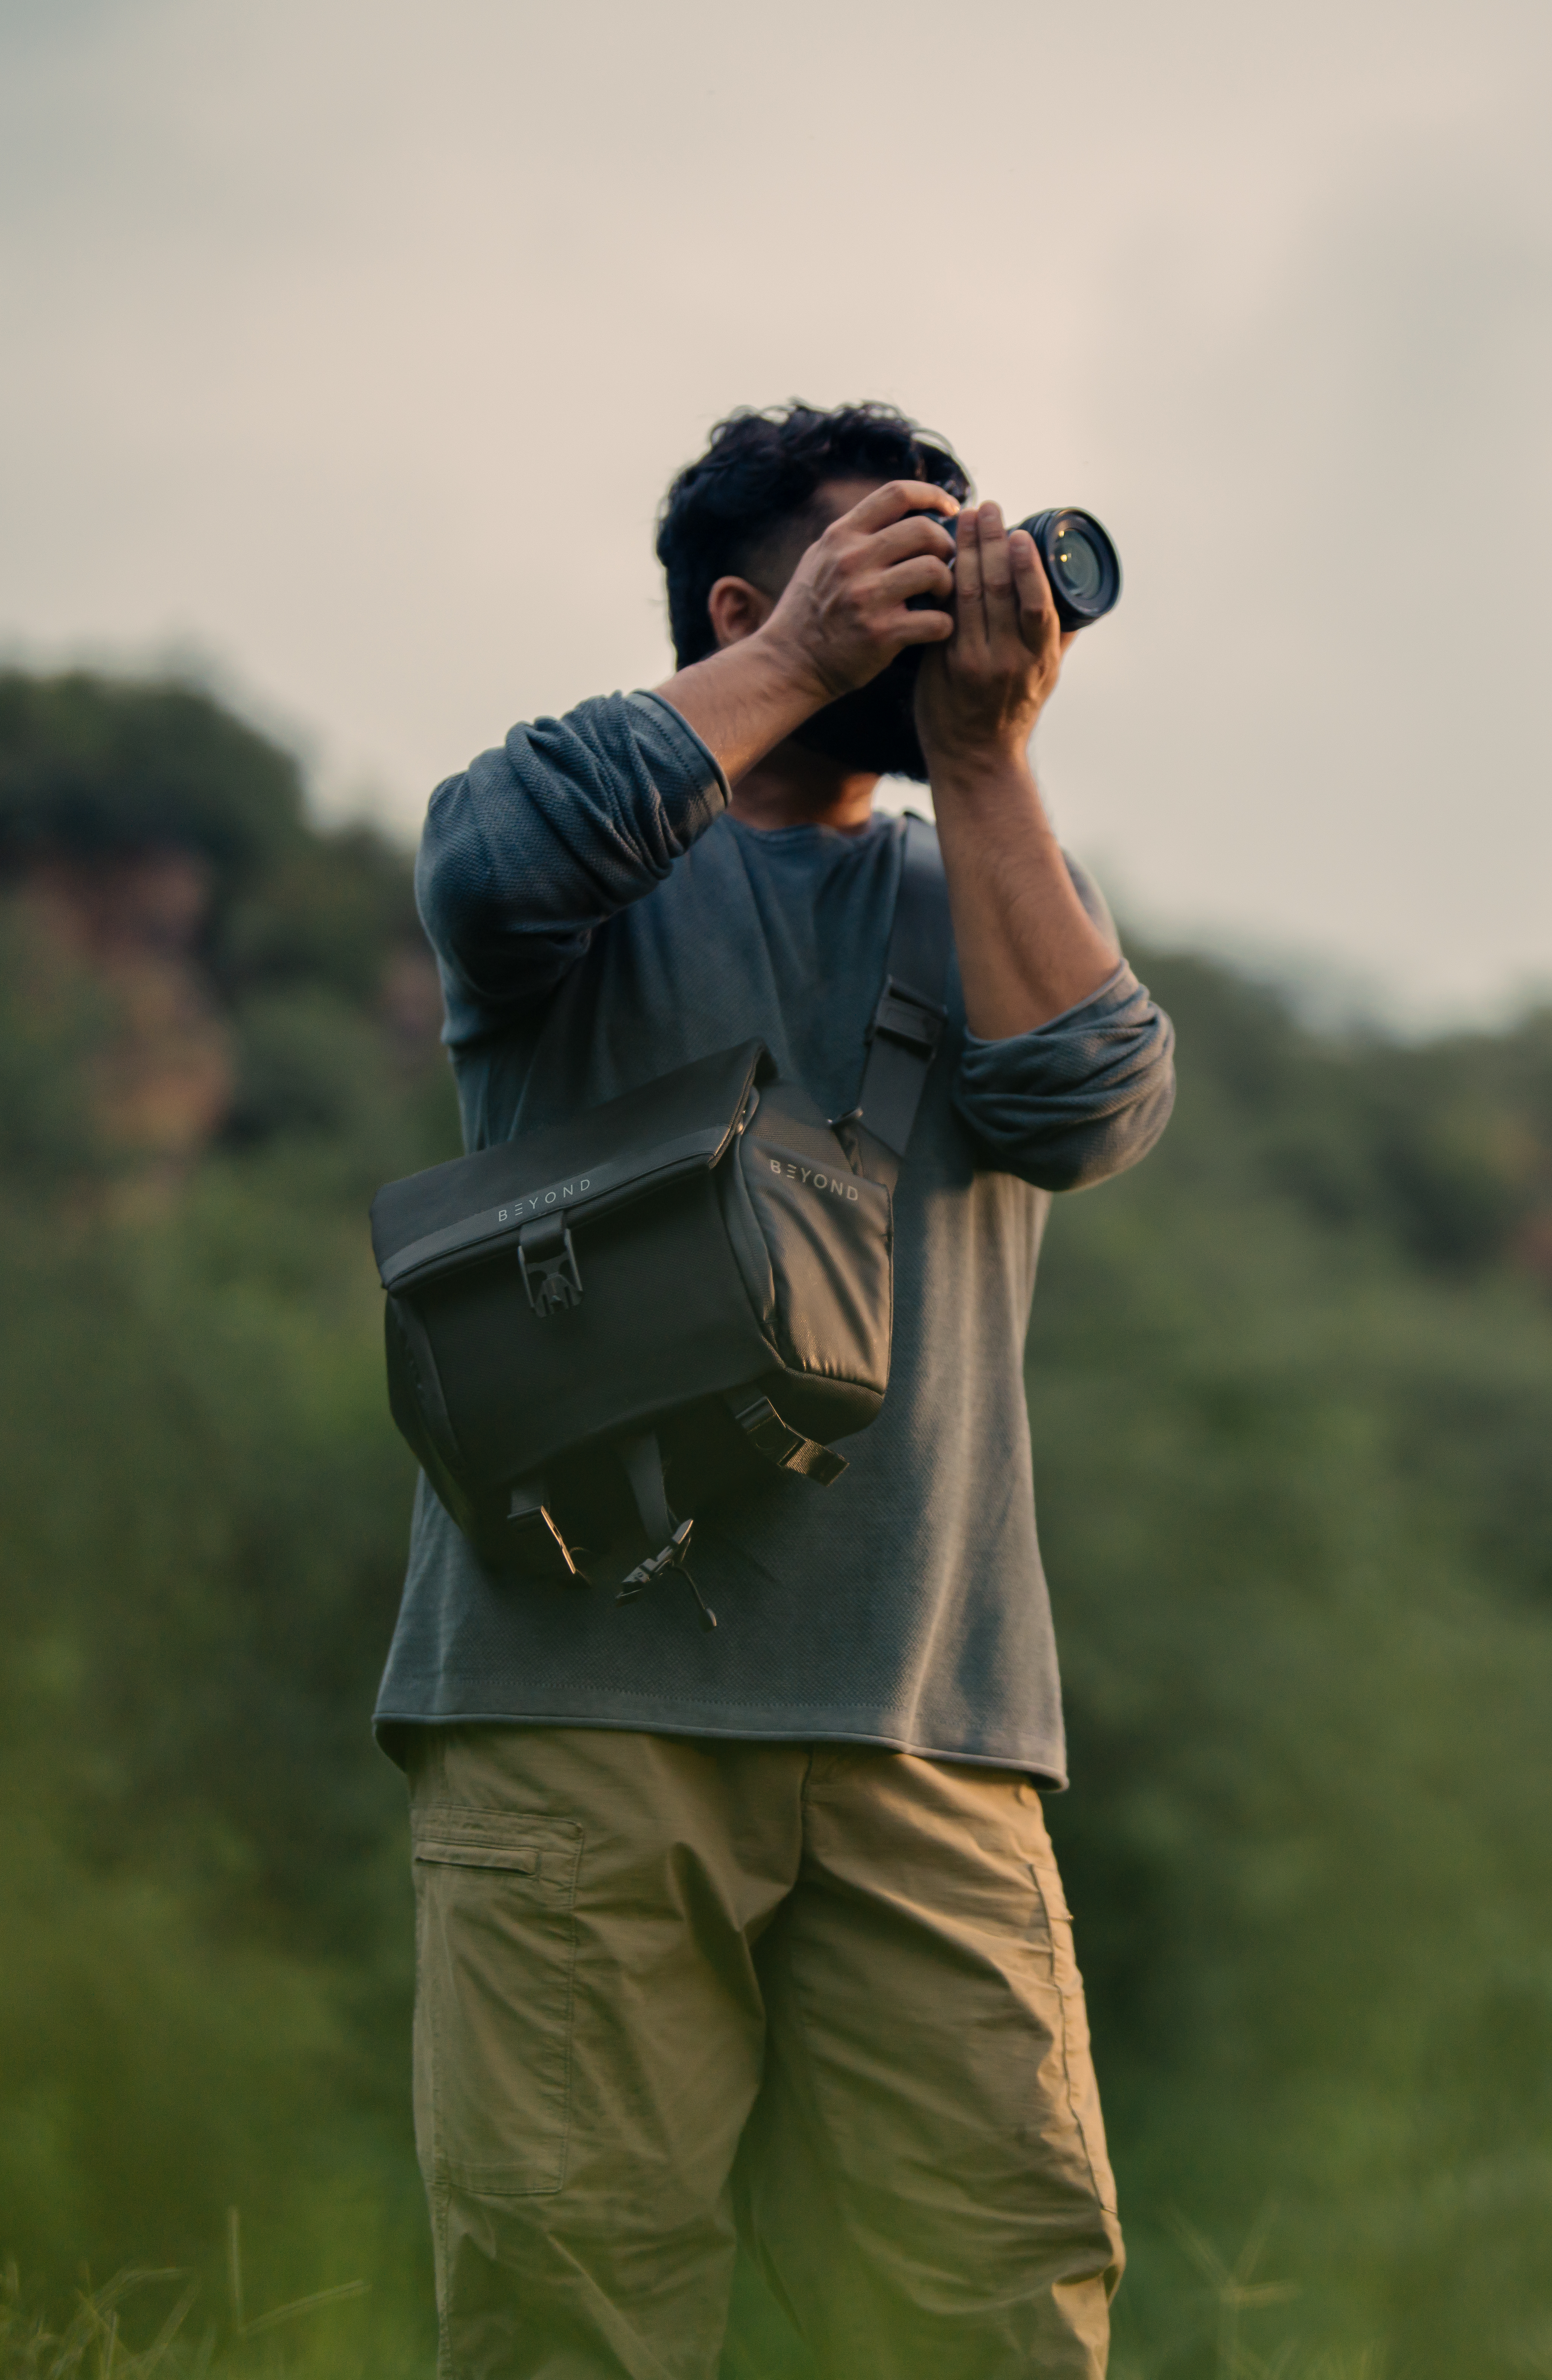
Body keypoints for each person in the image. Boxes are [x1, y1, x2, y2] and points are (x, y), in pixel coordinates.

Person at [372, 402, 1173, 2380]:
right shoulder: (581, 875)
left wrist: (983, 752)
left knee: (993, 2319)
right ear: (749, 603)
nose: (932, 608)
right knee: (576, 2321)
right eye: (878, 572)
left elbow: (1093, 1101)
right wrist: (804, 661)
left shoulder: (965, 889)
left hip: (929, 1732)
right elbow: (486, 855)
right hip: (580, 1719)